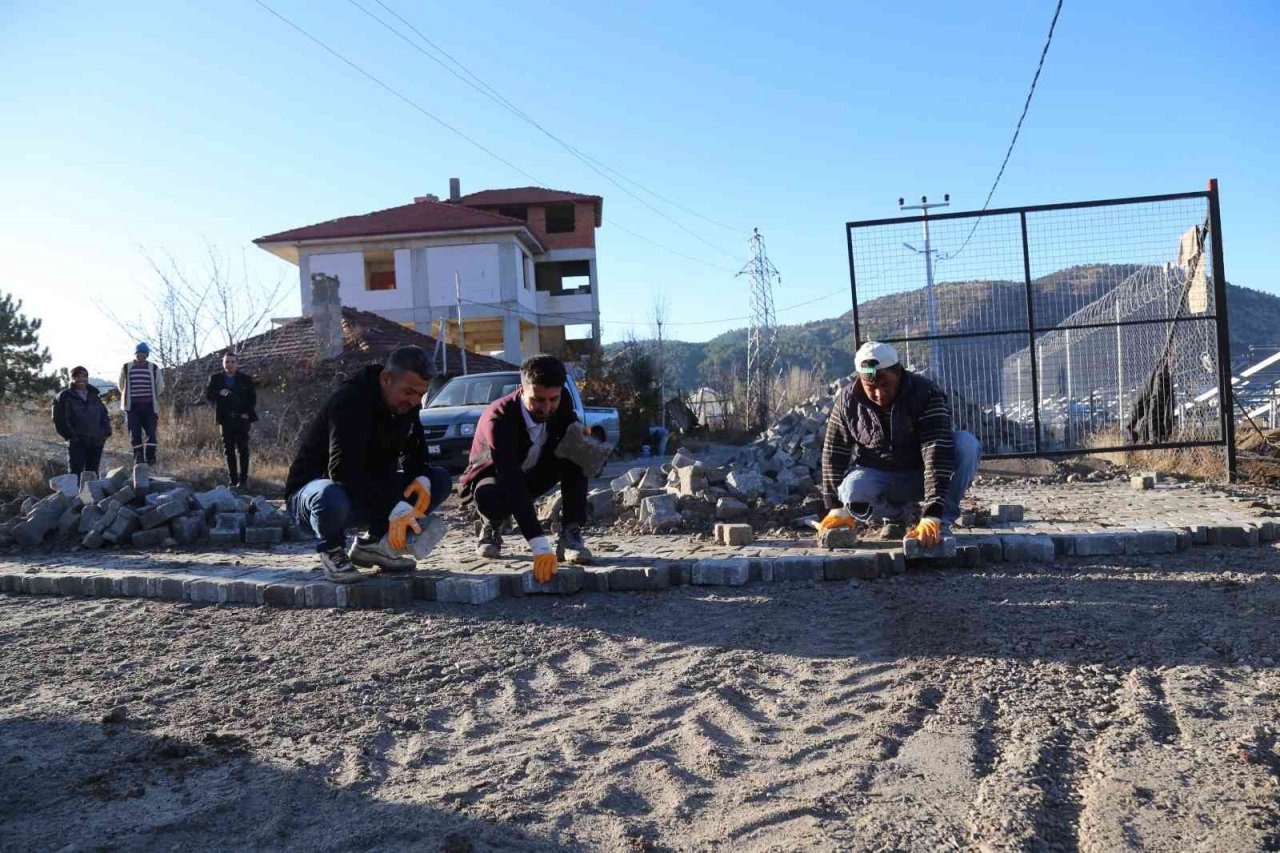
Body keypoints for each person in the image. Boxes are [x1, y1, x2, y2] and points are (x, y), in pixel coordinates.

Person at [284, 346, 452, 583]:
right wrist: (394, 505)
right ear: (386, 379)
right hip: (317, 499)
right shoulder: (349, 400)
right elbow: (342, 471)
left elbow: (415, 451)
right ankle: (333, 550)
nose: (414, 401)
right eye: (408, 392)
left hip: (364, 495)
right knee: (329, 494)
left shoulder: (407, 404)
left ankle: (374, 545)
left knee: (438, 480)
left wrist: (421, 477)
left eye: (420, 394)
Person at [818, 341, 982, 548]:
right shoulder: (847, 401)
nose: (879, 394)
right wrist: (835, 506)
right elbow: (834, 452)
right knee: (851, 491)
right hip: (881, 477)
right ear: (861, 379)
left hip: (922, 475)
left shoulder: (925, 393)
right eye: (871, 388)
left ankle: (941, 521)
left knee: (967, 445)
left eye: (885, 385)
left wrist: (933, 512)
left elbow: (936, 451)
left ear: (898, 373)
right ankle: (898, 516)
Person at [459, 354, 591, 581]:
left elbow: (576, 437)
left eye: (553, 399)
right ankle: (491, 525)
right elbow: (511, 479)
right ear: (522, 390)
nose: (546, 407)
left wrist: (591, 443)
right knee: (489, 495)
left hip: (536, 472)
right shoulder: (499, 418)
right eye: (538, 400)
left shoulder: (562, 403)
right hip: (496, 478)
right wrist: (539, 545)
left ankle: (570, 534)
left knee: (579, 456)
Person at [204, 351, 258, 489]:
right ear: (223, 363)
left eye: (233, 362)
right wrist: (219, 393)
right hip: (225, 419)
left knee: (243, 449)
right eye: (227, 362)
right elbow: (209, 396)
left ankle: (243, 480)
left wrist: (246, 413)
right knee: (229, 450)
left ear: (237, 363)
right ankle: (233, 481)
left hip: (242, 419)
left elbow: (252, 398)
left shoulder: (245, 379)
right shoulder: (215, 378)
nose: (230, 364)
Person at [52, 366, 112, 476]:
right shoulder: (65, 396)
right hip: (78, 442)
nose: (81, 380)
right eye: (78, 377)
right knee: (75, 475)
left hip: (96, 441)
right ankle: (76, 489)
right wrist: (72, 436)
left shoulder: (93, 395)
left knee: (93, 475)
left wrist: (105, 432)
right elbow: (60, 420)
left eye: (84, 377)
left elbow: (103, 414)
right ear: (72, 378)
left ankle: (90, 489)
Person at [117, 342, 163, 465]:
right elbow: (121, 385)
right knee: (135, 433)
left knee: (151, 433)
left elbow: (160, 386)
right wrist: (128, 397)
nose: (140, 356)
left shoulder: (153, 368)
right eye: (138, 353)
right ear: (135, 354)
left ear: (147, 355)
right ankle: (138, 459)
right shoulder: (126, 367)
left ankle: (150, 459)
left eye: (143, 354)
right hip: (133, 407)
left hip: (149, 406)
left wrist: (152, 397)